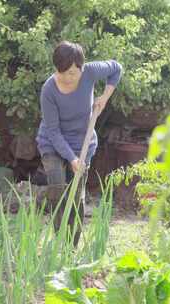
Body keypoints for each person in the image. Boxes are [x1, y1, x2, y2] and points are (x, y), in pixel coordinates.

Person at [35, 41, 122, 245]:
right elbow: (54, 132)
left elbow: (117, 69)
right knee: (57, 187)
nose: (67, 78)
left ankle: (71, 247)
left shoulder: (90, 72)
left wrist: (105, 96)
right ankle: (60, 242)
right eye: (62, 72)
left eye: (73, 73)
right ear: (57, 68)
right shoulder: (49, 90)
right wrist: (72, 158)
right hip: (53, 142)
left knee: (76, 196)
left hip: (83, 141)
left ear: (81, 68)